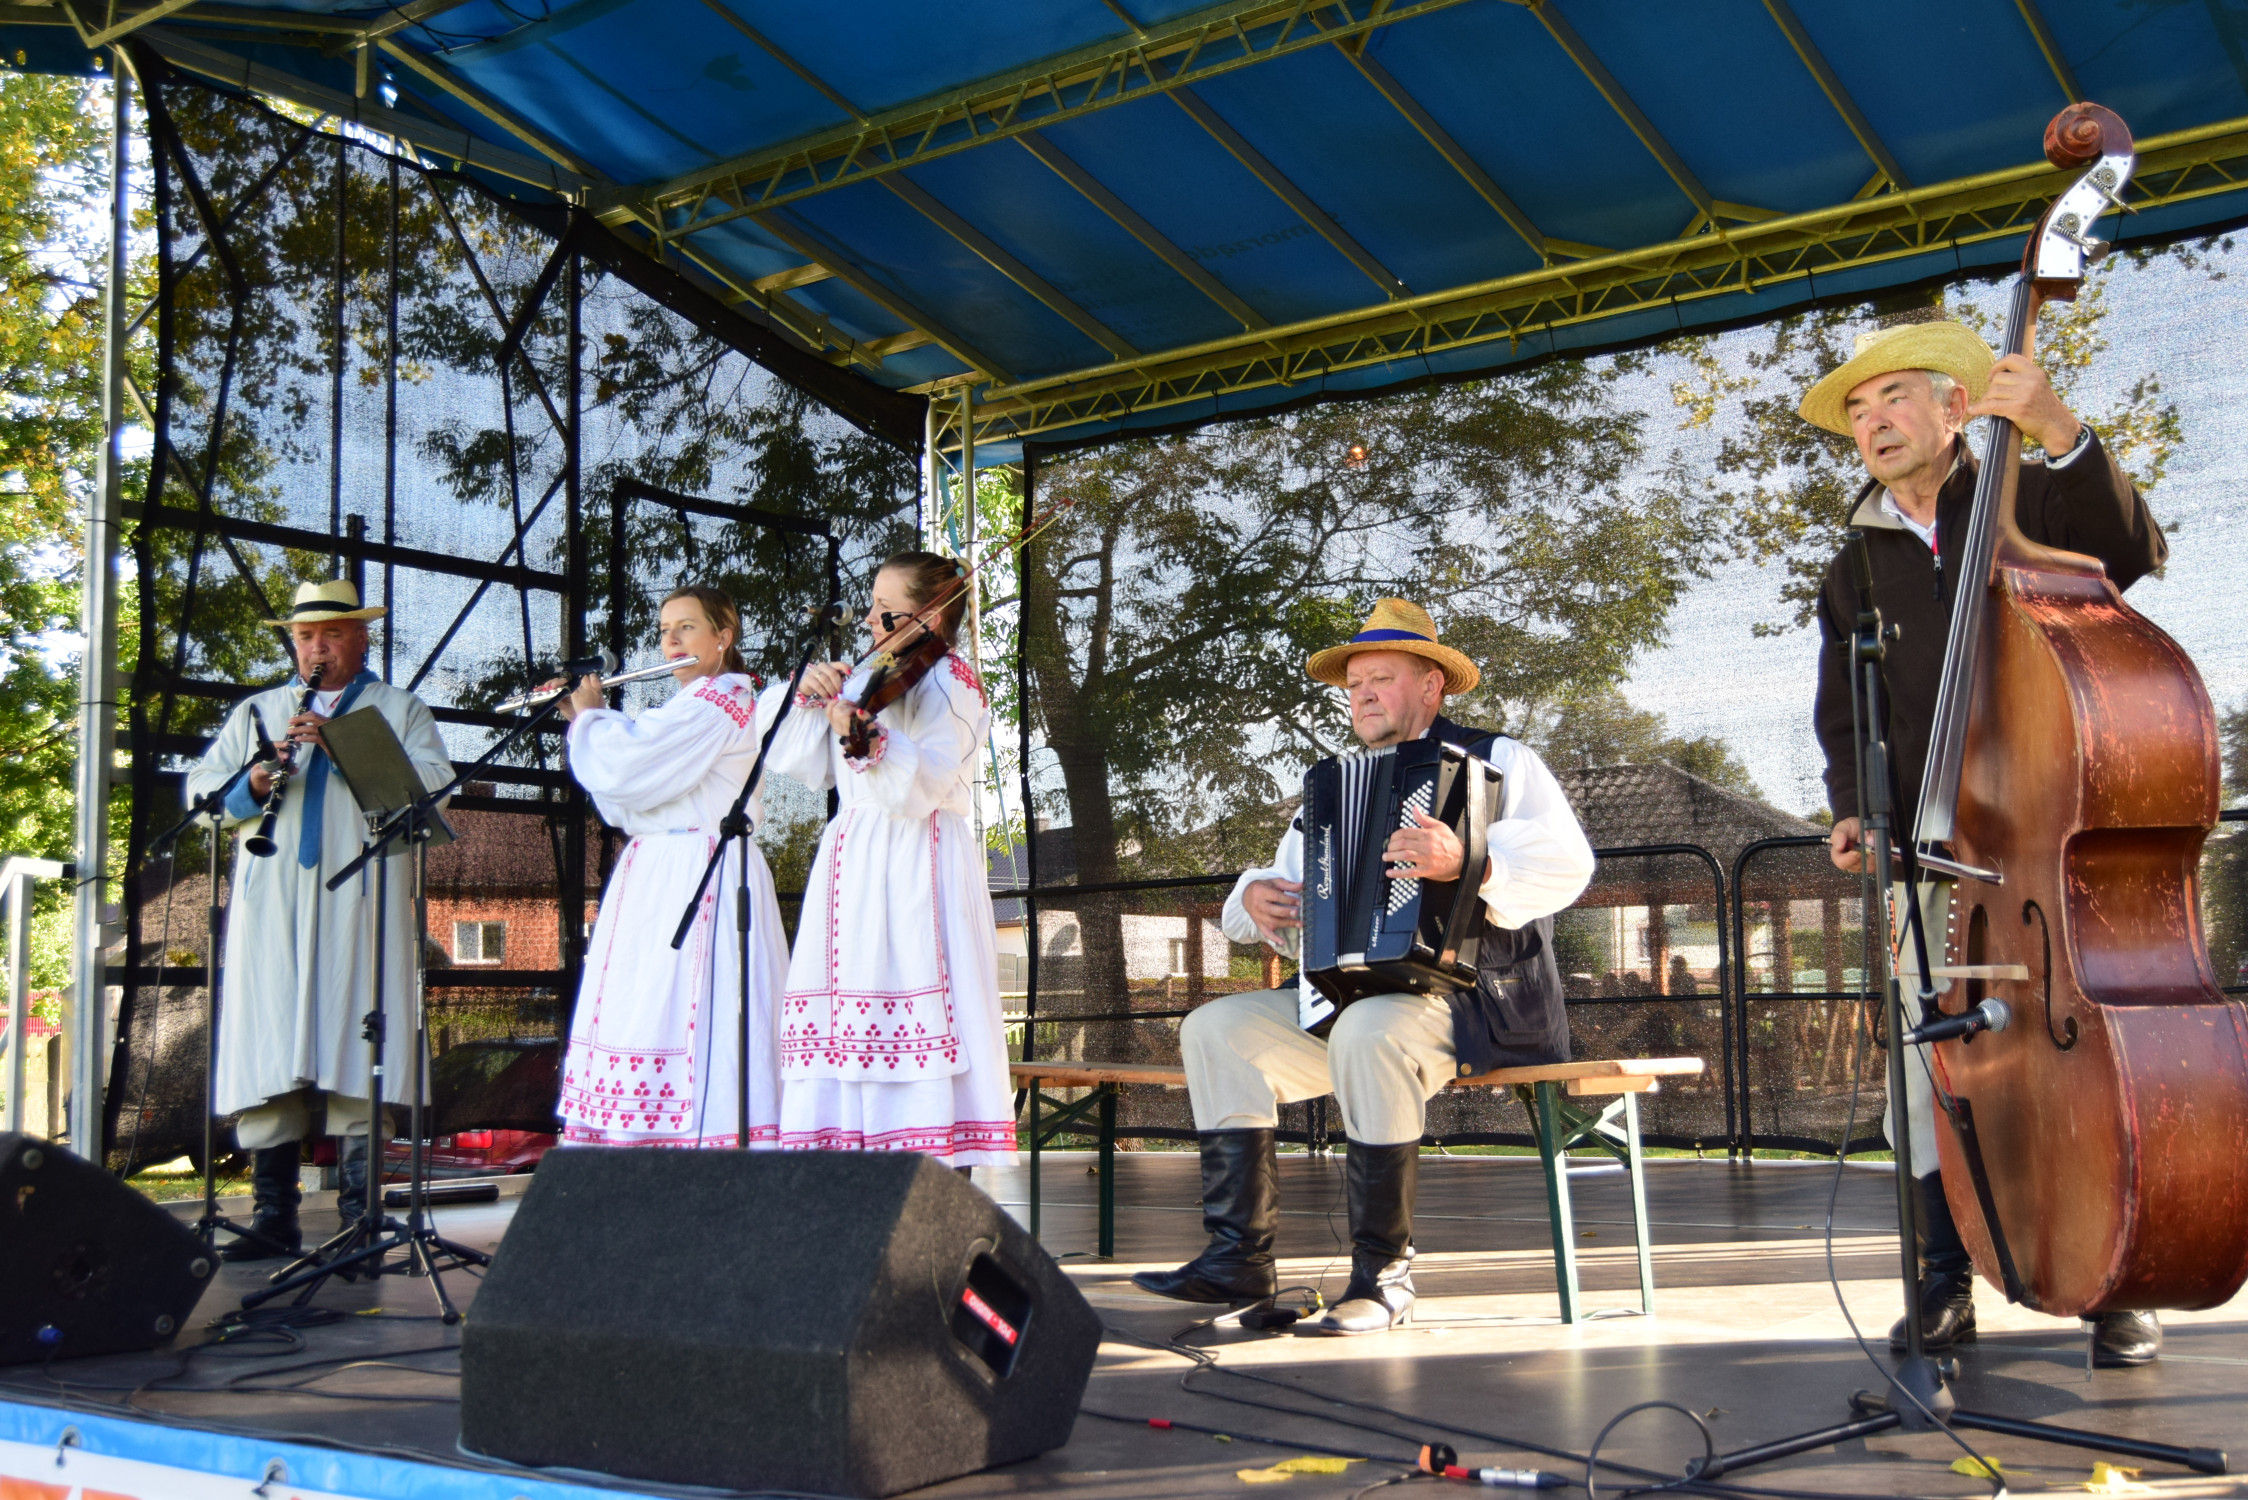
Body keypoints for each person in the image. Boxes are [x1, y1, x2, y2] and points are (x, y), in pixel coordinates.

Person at [1803, 319, 2170, 1367]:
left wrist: (2056, 425)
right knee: (1927, 1076)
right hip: (1932, 849)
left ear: (1954, 408)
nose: (1873, 424)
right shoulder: (1853, 563)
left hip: (2055, 842)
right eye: (1859, 413)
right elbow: (1845, 709)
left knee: (2087, 1069)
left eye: (1893, 401)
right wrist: (1852, 805)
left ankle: (2112, 1282)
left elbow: (2132, 553)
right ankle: (1938, 1285)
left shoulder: (2021, 493)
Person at [1133, 600, 1595, 1334]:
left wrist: (1470, 861)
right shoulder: (1330, 787)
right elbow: (1276, 904)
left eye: (1381, 678)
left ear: (1431, 688)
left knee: (1370, 1029)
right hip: (1345, 1002)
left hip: (1472, 1002)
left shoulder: (1499, 761)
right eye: (1354, 685)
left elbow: (1569, 867)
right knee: (1215, 1028)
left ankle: (1382, 1277)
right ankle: (1237, 1257)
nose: (1363, 695)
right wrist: (1255, 902)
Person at [183, 580, 452, 1261]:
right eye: (305, 636)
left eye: (331, 634)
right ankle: (274, 1217)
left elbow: (426, 801)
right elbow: (200, 799)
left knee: (358, 1045)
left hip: (358, 902)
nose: (317, 647)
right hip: (271, 906)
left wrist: (344, 749)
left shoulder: (399, 709)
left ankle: (362, 1216)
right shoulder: (258, 712)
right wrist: (254, 784)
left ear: (361, 638)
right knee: (268, 1046)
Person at [764, 552, 1014, 1171]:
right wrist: (814, 696)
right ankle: (853, 1166)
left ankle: (930, 1185)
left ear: (928, 615)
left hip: (914, 863)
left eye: (886, 609)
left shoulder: (953, 678)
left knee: (908, 1012)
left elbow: (918, 787)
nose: (871, 620)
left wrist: (869, 737)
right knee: (847, 1023)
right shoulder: (871, 671)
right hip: (854, 862)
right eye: (873, 607)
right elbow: (803, 761)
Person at [553, 585, 788, 1150]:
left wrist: (591, 720)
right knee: (643, 1012)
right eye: (664, 630)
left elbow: (634, 765)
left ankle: (706, 1154)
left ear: (722, 638)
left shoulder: (727, 696)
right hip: (659, 873)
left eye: (686, 627)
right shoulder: (687, 704)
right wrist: (592, 730)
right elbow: (624, 796)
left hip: (701, 872)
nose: (671, 640)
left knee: (701, 1023)